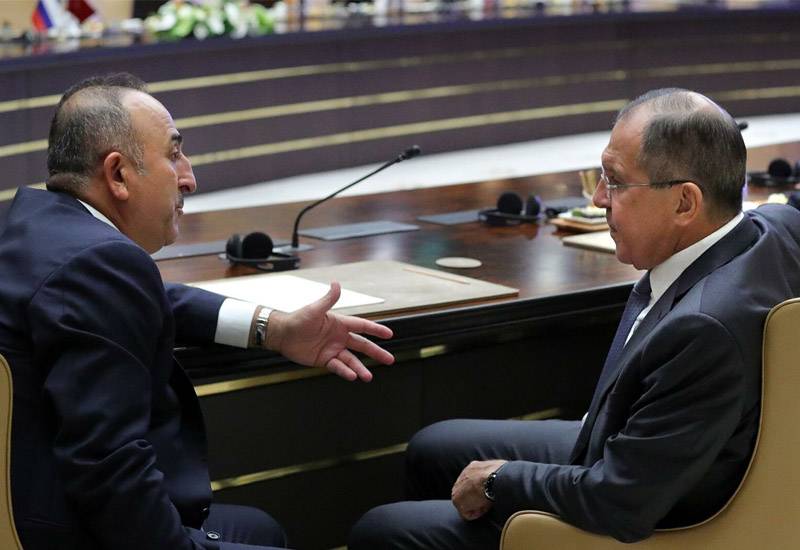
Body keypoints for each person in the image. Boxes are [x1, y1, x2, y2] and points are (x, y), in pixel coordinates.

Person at [348, 88, 800, 549]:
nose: (599, 199)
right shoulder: (774, 227)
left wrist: (499, 480)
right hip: (651, 452)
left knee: (382, 530)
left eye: (616, 182)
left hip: (650, 512)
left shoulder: (703, 330)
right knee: (433, 447)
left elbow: (621, 501)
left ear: (685, 203)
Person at [0, 73, 395, 550]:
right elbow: (107, 468)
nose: (189, 177)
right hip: (71, 532)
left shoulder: (37, 229)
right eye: (173, 155)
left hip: (32, 501)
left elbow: (152, 298)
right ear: (118, 174)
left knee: (261, 528)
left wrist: (273, 328)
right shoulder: (102, 264)